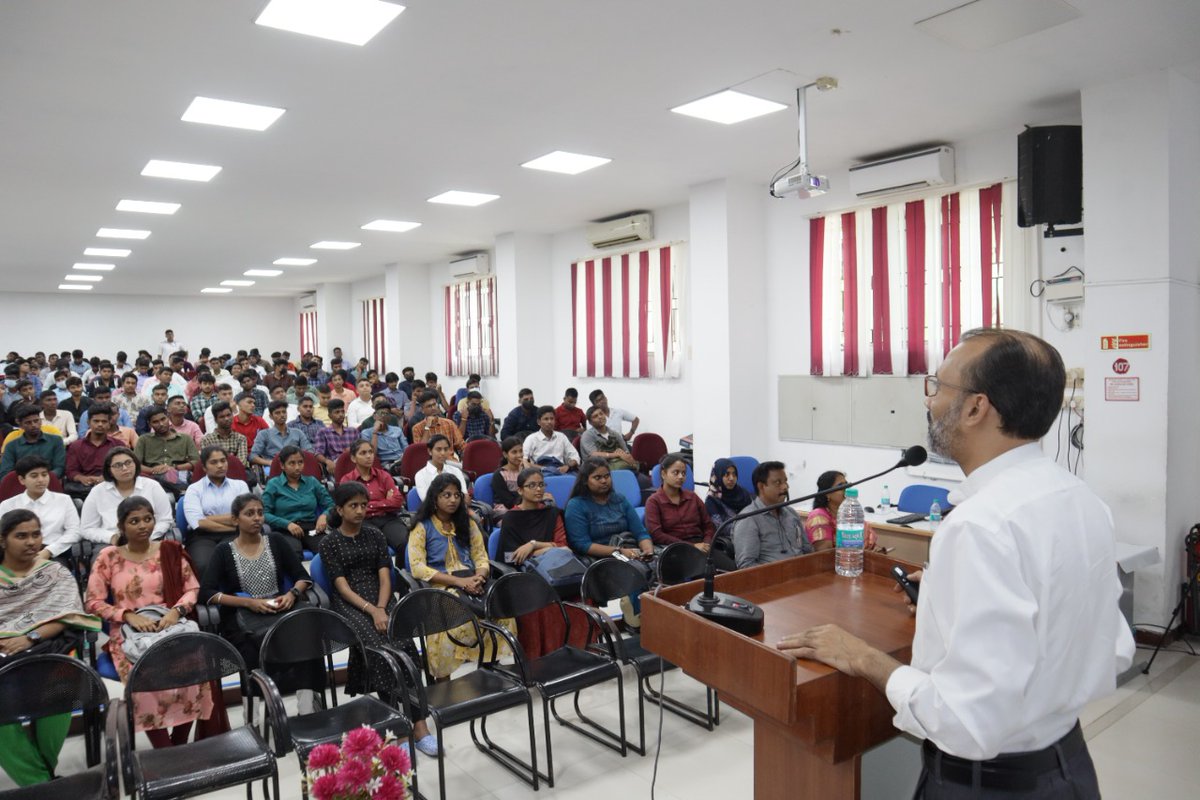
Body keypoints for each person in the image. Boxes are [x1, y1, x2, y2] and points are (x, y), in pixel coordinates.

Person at [776, 329, 1135, 800]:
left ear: (975, 408)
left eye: (937, 386)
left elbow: (964, 720)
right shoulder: (1083, 501)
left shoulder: (979, 527)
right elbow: (1113, 649)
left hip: (988, 785)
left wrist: (861, 657)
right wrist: (952, 593)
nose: (929, 402)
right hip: (1069, 766)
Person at [318, 482, 438, 755]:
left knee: (406, 647)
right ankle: (397, 727)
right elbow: (340, 586)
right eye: (353, 506)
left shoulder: (374, 534)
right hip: (351, 603)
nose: (360, 510)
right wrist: (371, 610)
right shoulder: (329, 543)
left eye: (363, 505)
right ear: (340, 509)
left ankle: (419, 724)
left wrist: (382, 606)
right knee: (382, 650)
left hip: (381, 596)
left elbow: (385, 576)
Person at [85, 496, 215, 749]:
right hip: (129, 634)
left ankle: (179, 745)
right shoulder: (108, 557)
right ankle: (164, 750)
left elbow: (192, 589)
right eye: (134, 521)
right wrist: (127, 615)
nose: (143, 525)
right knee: (142, 681)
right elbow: (93, 602)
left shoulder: (169, 550)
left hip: (170, 625)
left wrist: (175, 612)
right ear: (121, 526)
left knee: (195, 674)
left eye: (147, 519)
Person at [0, 509, 101, 786]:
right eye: (21, 536)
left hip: (48, 651)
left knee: (62, 691)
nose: (31, 542)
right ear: (2, 540)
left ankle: (39, 785)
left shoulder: (54, 572)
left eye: (36, 534)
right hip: (3, 661)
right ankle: (44, 784)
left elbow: (66, 614)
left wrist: (29, 637)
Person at [406, 473, 515, 675]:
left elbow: (481, 557)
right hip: (442, 585)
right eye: (446, 495)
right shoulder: (422, 526)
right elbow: (417, 567)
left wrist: (480, 577)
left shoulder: (468, 522)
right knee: (453, 616)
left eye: (457, 495)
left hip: (473, 580)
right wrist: (460, 581)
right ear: (435, 498)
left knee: (501, 609)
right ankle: (443, 680)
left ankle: (490, 667)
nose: (453, 500)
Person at [197, 494, 315, 678]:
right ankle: (258, 700)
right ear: (235, 519)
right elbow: (207, 593)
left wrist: (291, 594)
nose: (257, 518)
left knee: (307, 632)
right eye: (250, 513)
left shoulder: (276, 540)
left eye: (260, 513)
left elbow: (302, 577)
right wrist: (248, 603)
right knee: (249, 646)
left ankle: (307, 699)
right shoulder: (224, 550)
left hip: (278, 607)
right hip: (242, 615)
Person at [644, 453, 735, 571]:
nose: (681, 477)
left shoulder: (692, 497)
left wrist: (707, 543)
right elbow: (657, 535)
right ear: (663, 474)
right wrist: (691, 547)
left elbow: (708, 525)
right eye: (675, 472)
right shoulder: (654, 501)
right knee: (706, 575)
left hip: (702, 546)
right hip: (676, 550)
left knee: (733, 570)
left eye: (683, 473)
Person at [563, 457, 654, 560]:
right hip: (598, 558)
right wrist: (618, 552)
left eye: (607, 476)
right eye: (597, 478)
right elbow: (582, 544)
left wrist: (647, 550)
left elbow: (640, 533)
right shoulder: (576, 505)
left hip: (629, 550)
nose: (604, 481)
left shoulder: (619, 499)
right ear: (585, 481)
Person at [79, 448, 173, 546]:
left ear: (135, 464)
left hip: (149, 540)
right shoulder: (97, 492)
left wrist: (147, 535)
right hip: (110, 544)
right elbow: (87, 528)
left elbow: (165, 519)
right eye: (118, 465)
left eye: (128, 463)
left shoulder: (152, 486)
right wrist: (112, 537)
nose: (124, 468)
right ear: (109, 470)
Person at [182, 446, 251, 575]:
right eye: (214, 462)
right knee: (203, 564)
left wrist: (207, 517)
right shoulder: (194, 489)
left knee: (233, 563)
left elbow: (245, 516)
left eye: (223, 461)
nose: (220, 465)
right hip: (202, 536)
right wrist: (233, 523)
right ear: (204, 467)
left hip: (235, 535)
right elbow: (198, 523)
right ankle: (208, 595)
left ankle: (232, 595)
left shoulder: (240, 486)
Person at [732, 461, 811, 569]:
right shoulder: (748, 519)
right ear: (761, 486)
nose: (785, 487)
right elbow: (746, 566)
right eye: (778, 483)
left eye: (785, 481)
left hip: (803, 575)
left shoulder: (791, 513)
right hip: (775, 581)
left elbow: (808, 550)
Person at [0, 456, 81, 563]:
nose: (41, 480)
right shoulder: (8, 505)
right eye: (34, 476)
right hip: (16, 555)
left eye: (44, 474)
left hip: (54, 554)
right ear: (22, 480)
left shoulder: (64, 500)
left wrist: (49, 551)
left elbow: (74, 531)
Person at [261, 445, 333, 558]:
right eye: (292, 463)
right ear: (282, 465)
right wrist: (287, 524)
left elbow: (331, 505)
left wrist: (324, 516)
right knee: (293, 556)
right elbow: (264, 514)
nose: (297, 467)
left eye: (300, 462)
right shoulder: (274, 484)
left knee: (328, 551)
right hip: (285, 530)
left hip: (310, 528)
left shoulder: (312, 482)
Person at [338, 440, 408, 552]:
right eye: (363, 453)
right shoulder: (347, 480)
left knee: (405, 542)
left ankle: (400, 568)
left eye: (370, 452)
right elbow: (351, 509)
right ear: (353, 458)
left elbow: (398, 501)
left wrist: (365, 505)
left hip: (388, 519)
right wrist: (385, 502)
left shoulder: (384, 475)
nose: (369, 456)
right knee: (375, 546)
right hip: (362, 521)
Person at [578, 405, 651, 495]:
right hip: (600, 471)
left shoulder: (614, 434)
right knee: (621, 485)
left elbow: (626, 452)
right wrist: (616, 455)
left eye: (601, 414)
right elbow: (594, 455)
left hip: (623, 467)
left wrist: (630, 460)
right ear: (590, 422)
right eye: (595, 416)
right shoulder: (587, 435)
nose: (600, 417)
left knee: (646, 482)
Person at [805, 470, 879, 552]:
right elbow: (824, 554)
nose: (846, 489)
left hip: (857, 561)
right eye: (840, 486)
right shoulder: (818, 516)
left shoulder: (849, 514)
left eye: (846, 485)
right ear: (827, 493)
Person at [134, 404, 199, 496]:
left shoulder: (185, 439)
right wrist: (153, 470)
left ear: (168, 418)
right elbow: (135, 464)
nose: (161, 424)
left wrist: (173, 468)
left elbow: (196, 461)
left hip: (178, 476)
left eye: (163, 419)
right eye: (155, 422)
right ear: (150, 424)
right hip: (152, 478)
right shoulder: (144, 440)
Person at [0, 404, 65, 479]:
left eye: (36, 421)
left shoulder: (56, 440)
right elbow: (5, 472)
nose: (33, 425)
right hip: (21, 485)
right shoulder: (11, 445)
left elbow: (60, 468)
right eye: (28, 422)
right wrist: (27, 481)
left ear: (41, 421)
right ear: (20, 425)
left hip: (49, 482)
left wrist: (43, 479)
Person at [250, 400, 312, 469]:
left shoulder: (297, 433)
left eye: (284, 412)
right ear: (271, 416)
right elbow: (253, 456)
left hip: (296, 466)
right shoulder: (264, 434)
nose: (282, 415)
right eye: (277, 413)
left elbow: (309, 451)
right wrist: (270, 462)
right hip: (274, 467)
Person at [523, 405, 580, 476]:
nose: (549, 422)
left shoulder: (561, 437)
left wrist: (567, 466)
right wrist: (544, 468)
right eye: (546, 419)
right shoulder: (531, 439)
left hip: (560, 471)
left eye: (552, 418)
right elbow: (524, 461)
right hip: (540, 473)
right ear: (538, 422)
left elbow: (575, 457)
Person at [414, 434, 466, 502]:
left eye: (446, 449)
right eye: (438, 449)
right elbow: (427, 501)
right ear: (430, 451)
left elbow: (465, 496)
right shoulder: (421, 475)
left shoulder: (456, 471)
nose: (443, 453)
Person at [411, 392, 464, 456]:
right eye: (429, 406)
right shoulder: (417, 428)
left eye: (434, 404)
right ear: (422, 410)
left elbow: (461, 445)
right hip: (429, 462)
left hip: (449, 460)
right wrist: (427, 427)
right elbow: (421, 451)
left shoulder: (449, 423)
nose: (433, 408)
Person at [704, 458, 754, 526]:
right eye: (727, 474)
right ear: (718, 476)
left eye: (734, 474)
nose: (731, 478)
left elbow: (755, 516)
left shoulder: (743, 493)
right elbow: (720, 528)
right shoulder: (712, 501)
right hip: (733, 535)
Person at [313, 399, 359, 473]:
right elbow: (318, 453)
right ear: (330, 415)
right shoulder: (323, 432)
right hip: (334, 466)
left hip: (353, 464)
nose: (341, 414)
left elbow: (360, 449)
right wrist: (327, 461)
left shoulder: (353, 431)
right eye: (337, 412)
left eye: (342, 412)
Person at [200, 400, 249, 465]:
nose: (226, 419)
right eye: (222, 417)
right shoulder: (206, 440)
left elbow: (241, 463)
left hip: (236, 472)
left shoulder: (241, 438)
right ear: (215, 420)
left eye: (229, 415)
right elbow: (208, 463)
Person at [362, 403, 408, 469]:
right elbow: (372, 454)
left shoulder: (397, 430)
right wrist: (375, 432)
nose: (383, 416)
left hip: (401, 460)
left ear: (389, 417)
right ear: (374, 416)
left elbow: (406, 448)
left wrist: (404, 459)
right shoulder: (366, 433)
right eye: (381, 413)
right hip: (384, 463)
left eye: (387, 414)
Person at [489, 436, 525, 517]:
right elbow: (508, 502)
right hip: (505, 511)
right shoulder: (499, 475)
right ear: (505, 454)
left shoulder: (527, 470)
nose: (519, 455)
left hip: (526, 508)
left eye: (521, 451)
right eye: (514, 452)